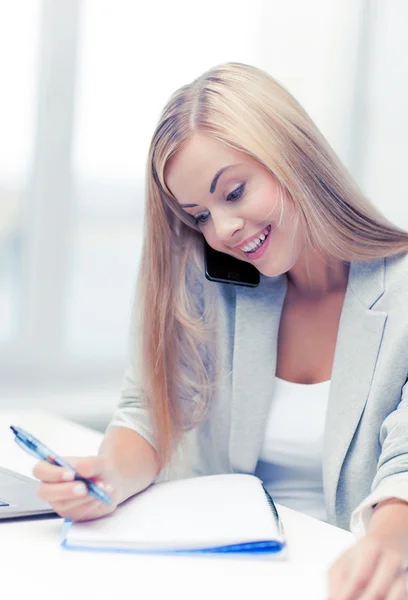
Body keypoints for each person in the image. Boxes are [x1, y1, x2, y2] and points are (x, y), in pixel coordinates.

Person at [34, 63, 408, 598]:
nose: (223, 230)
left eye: (233, 193)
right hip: (223, 573)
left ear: (293, 157)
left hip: (351, 576)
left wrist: (387, 545)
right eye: (199, 216)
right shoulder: (210, 283)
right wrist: (106, 477)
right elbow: (151, 411)